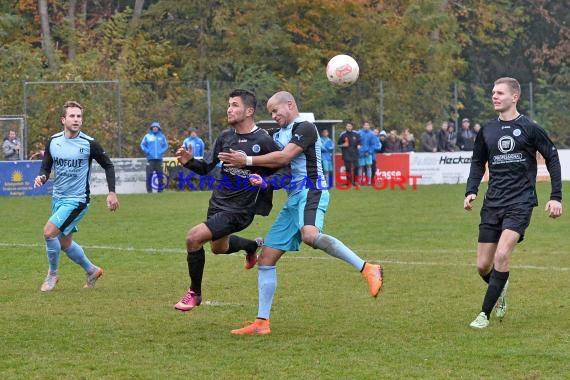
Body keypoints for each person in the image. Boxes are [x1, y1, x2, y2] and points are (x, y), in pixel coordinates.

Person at [219, 91, 383, 335]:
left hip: (311, 189)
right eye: (271, 112)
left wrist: (248, 161)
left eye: (277, 110)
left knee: (310, 235)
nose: (274, 116)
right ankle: (261, 323)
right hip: (293, 198)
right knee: (266, 259)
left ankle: (367, 267)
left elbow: (285, 156)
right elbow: (277, 165)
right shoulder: (276, 135)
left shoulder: (306, 128)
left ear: (290, 104)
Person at [173, 89, 286, 312]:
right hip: (218, 203)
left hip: (240, 211)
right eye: (229, 104)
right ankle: (252, 246)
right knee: (218, 248)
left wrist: (264, 182)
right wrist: (188, 162)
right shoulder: (226, 137)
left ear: (249, 110)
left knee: (193, 238)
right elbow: (206, 167)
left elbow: (285, 173)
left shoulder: (263, 140)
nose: (229, 109)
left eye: (234, 105)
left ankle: (194, 293)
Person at [463, 77, 562, 329]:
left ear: (514, 97)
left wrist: (555, 197)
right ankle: (500, 286)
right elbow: (477, 162)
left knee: (502, 255)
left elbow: (552, 158)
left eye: (500, 93)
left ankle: (483, 314)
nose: (494, 96)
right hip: (493, 202)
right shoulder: (486, 130)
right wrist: (471, 190)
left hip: (520, 202)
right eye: (493, 92)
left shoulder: (530, 128)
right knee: (482, 265)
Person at [33, 101, 119, 292]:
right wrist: (42, 177)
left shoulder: (89, 144)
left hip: (77, 200)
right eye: (72, 116)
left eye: (79, 116)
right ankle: (92, 270)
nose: (76, 119)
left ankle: (52, 276)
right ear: (63, 120)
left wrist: (111, 192)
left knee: (48, 233)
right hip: (58, 198)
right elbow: (46, 166)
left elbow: (108, 165)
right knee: (65, 243)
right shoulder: (53, 141)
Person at [140, 121, 168, 193]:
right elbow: (142, 145)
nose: (155, 129)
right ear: (151, 128)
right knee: (149, 176)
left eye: (156, 128)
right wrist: (147, 152)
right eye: (154, 128)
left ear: (159, 128)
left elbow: (165, 146)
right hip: (150, 159)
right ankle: (149, 192)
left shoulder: (162, 136)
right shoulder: (147, 136)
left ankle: (160, 191)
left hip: (159, 159)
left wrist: (161, 152)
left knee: (160, 177)